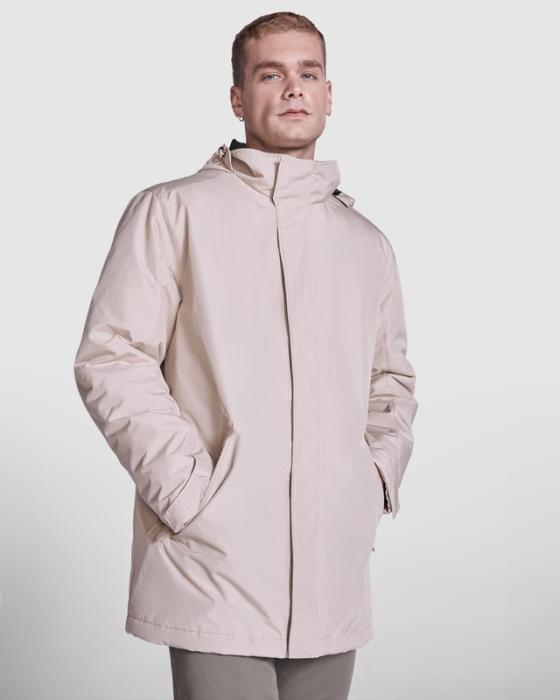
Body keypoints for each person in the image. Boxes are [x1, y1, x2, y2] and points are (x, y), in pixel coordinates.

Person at [73, 11, 418, 700]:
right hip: (215, 563)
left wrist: (371, 479)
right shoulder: (172, 211)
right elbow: (113, 357)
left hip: (332, 567)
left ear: (328, 94)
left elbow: (390, 381)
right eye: (270, 74)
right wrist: (188, 493)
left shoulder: (365, 242)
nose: (293, 88)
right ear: (238, 97)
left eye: (308, 73)